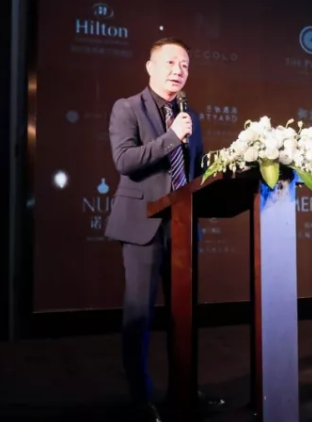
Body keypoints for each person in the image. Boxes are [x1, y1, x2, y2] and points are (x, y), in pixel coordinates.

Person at [105, 37, 225, 422]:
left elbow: (194, 169)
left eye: (185, 65)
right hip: (143, 225)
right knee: (139, 315)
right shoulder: (127, 108)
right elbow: (125, 160)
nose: (179, 71)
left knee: (183, 315)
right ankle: (140, 398)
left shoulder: (190, 117)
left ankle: (184, 389)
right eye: (171, 63)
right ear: (150, 67)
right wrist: (172, 137)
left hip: (182, 228)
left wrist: (229, 165)